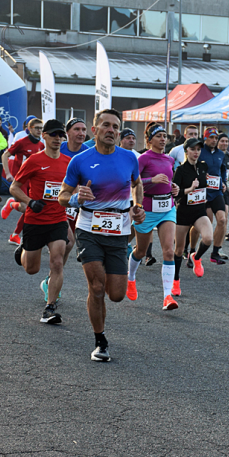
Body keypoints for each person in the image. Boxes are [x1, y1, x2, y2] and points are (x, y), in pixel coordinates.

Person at [58, 108, 145, 362]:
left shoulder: (129, 158)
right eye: (106, 125)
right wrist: (75, 198)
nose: (111, 130)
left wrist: (137, 207)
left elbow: (137, 185)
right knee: (96, 288)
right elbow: (62, 196)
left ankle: (112, 286)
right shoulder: (80, 161)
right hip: (89, 229)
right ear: (94, 130)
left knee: (115, 294)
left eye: (115, 127)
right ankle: (100, 340)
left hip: (119, 230)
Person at [9, 119, 74, 324]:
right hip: (35, 220)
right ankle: (23, 250)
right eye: (53, 134)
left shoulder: (68, 163)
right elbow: (14, 188)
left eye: (60, 135)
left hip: (58, 219)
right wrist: (30, 202)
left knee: (57, 262)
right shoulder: (35, 161)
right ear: (44, 135)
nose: (57, 138)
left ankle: (50, 307)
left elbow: (73, 188)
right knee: (31, 269)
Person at [127, 123, 180, 310]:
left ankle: (167, 296)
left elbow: (169, 181)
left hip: (167, 208)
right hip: (147, 210)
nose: (163, 139)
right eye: (159, 136)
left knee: (168, 250)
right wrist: (151, 180)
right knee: (141, 252)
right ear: (149, 140)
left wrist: (175, 188)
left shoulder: (169, 159)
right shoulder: (143, 159)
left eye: (165, 136)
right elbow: (132, 183)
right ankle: (131, 278)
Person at [172, 137, 214, 290]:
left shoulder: (203, 166)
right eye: (193, 149)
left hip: (199, 211)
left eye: (198, 149)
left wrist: (221, 186)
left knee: (208, 238)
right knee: (177, 250)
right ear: (186, 151)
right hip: (183, 212)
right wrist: (190, 189)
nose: (196, 152)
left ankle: (196, 257)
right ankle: (176, 281)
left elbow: (206, 184)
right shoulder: (180, 170)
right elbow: (175, 194)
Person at [1, 118, 44, 245]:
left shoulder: (41, 145)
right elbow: (5, 155)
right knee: (26, 207)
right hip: (21, 180)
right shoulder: (21, 142)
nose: (39, 131)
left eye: (41, 128)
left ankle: (15, 235)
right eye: (36, 128)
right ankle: (11, 204)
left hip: (34, 180)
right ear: (29, 129)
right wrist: (8, 173)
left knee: (32, 208)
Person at [199, 127, 229, 264]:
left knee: (222, 220)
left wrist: (223, 182)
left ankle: (215, 252)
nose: (214, 140)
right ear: (205, 138)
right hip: (203, 192)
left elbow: (222, 170)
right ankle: (192, 250)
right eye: (211, 137)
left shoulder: (220, 154)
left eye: (216, 138)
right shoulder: (199, 151)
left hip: (216, 191)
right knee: (203, 224)